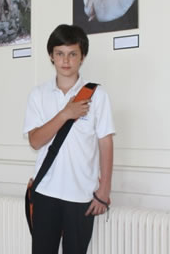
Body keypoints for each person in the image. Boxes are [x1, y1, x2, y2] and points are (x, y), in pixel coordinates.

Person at [23, 24, 115, 254]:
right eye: (60, 54)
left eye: (72, 54)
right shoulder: (38, 94)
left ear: (82, 57)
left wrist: (104, 191)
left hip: (81, 195)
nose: (66, 61)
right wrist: (66, 113)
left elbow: (106, 143)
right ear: (51, 57)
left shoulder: (98, 95)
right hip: (45, 192)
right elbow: (35, 141)